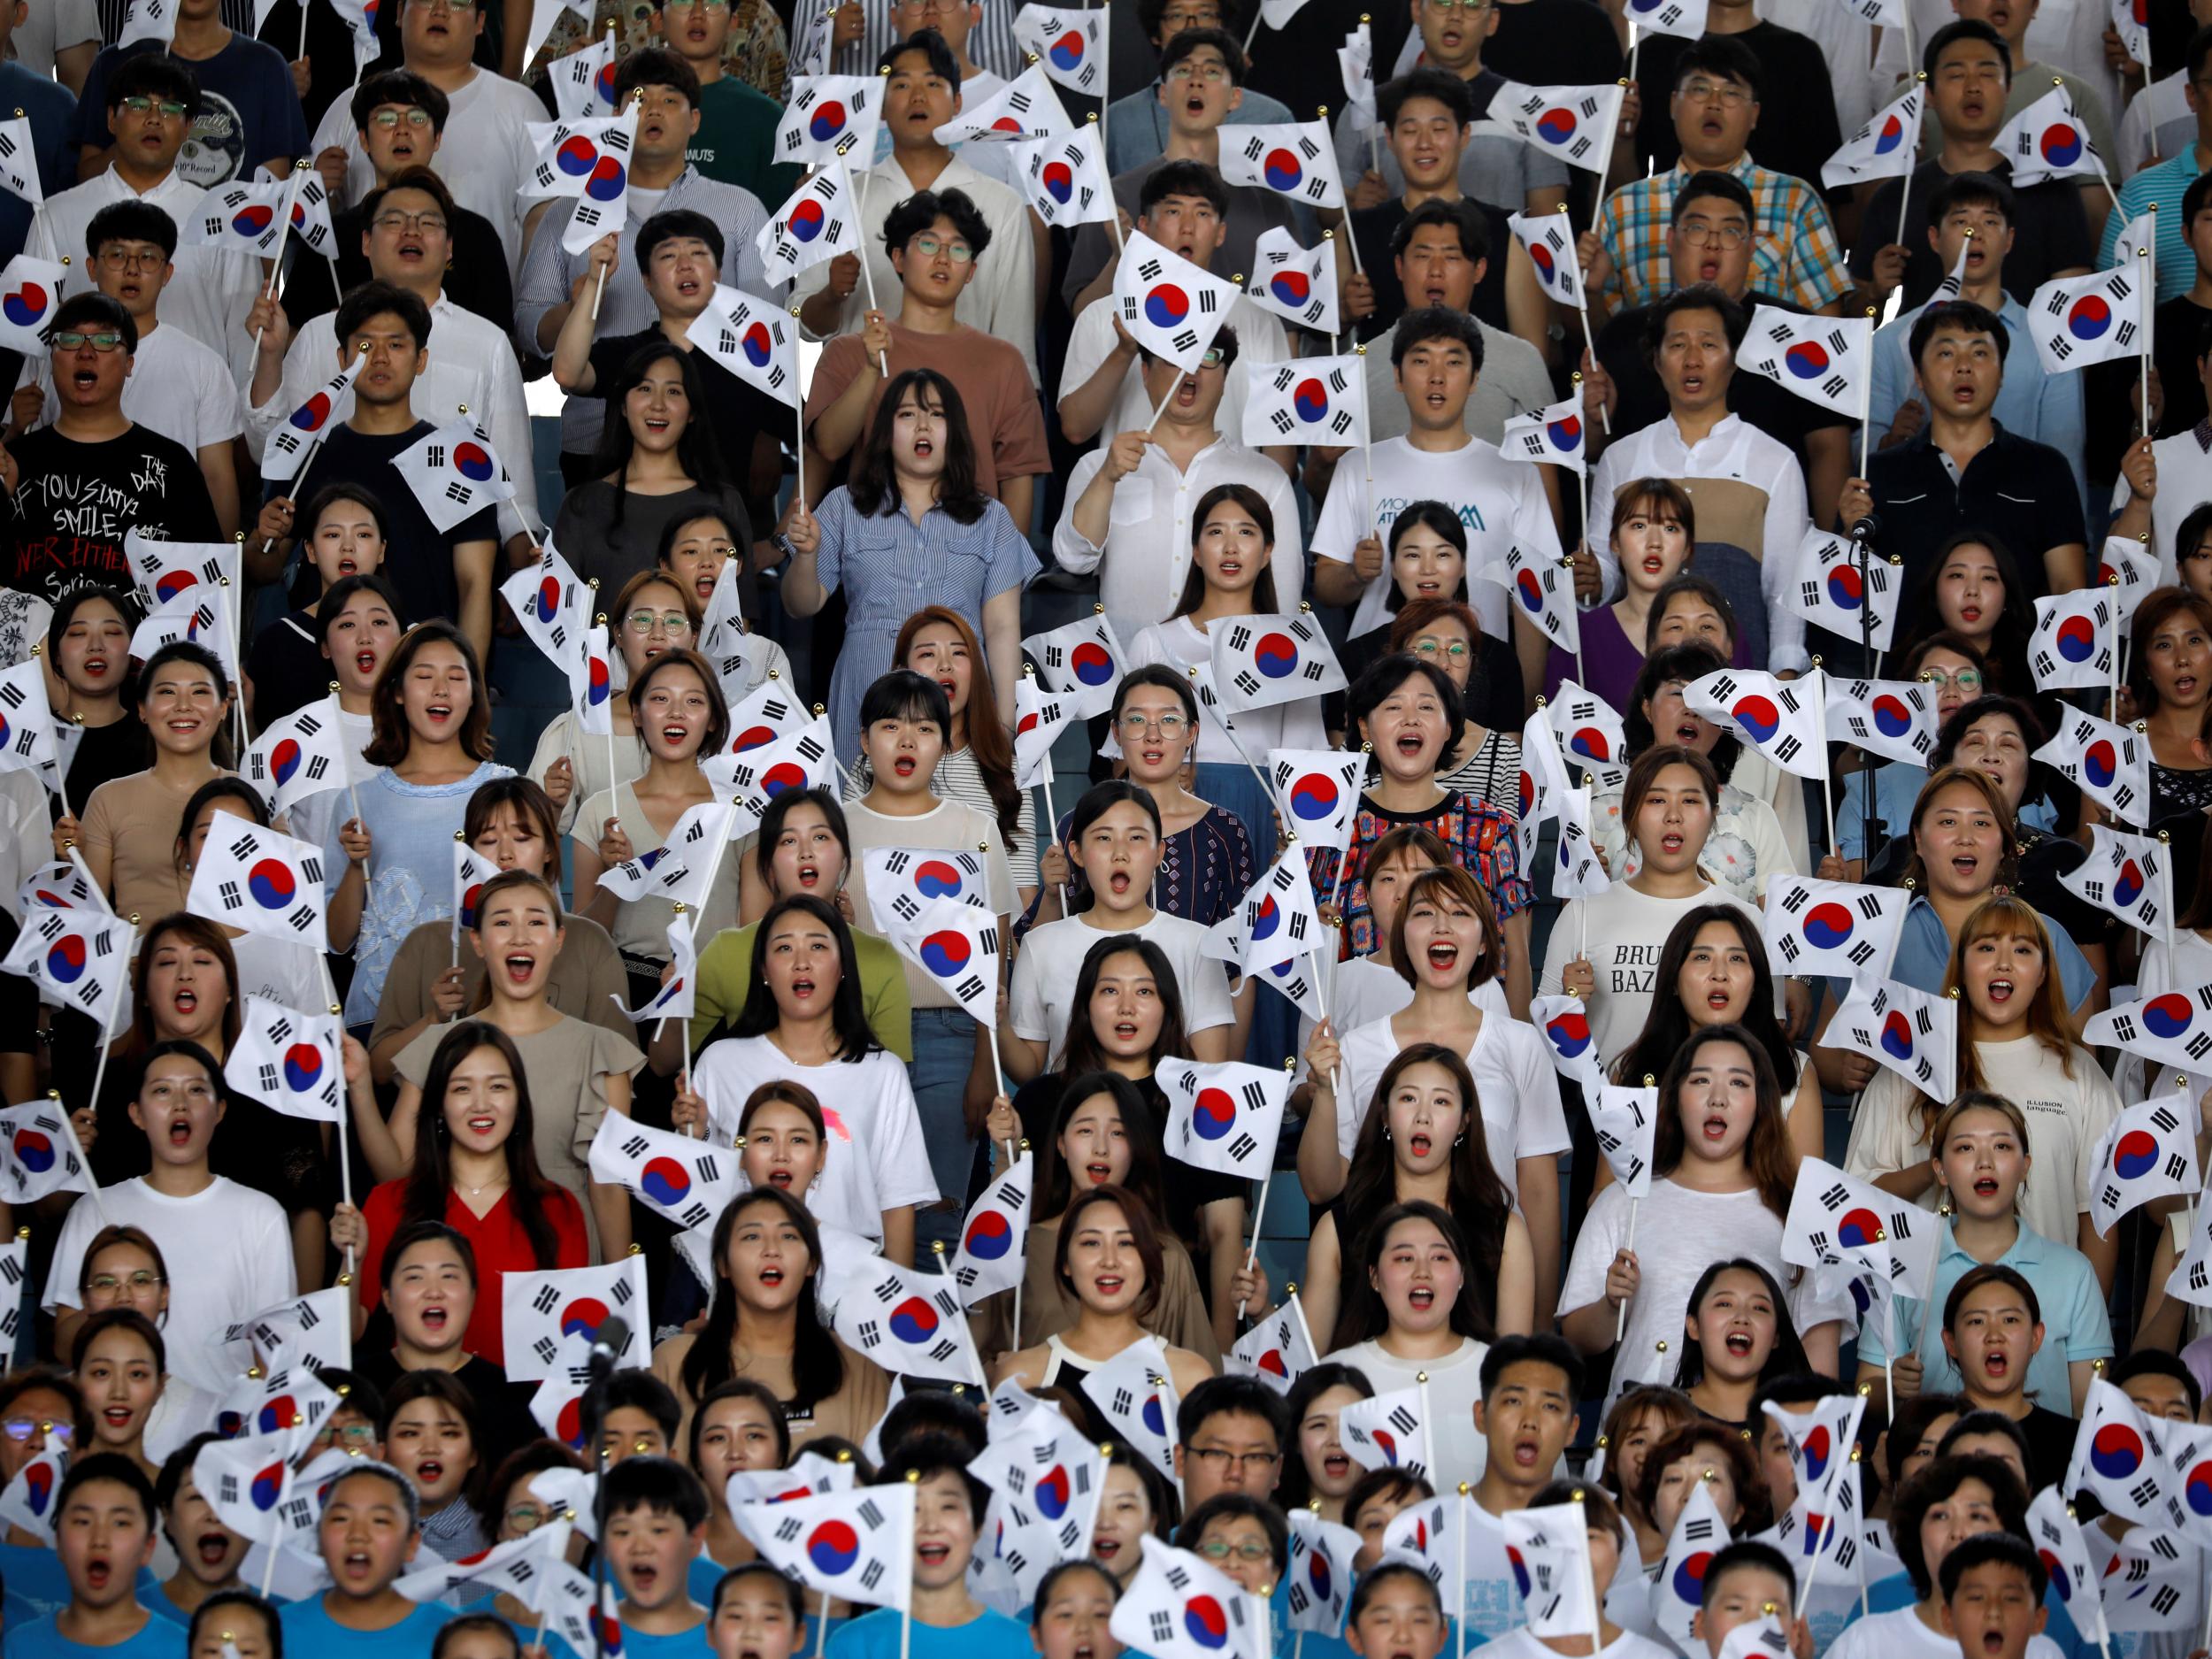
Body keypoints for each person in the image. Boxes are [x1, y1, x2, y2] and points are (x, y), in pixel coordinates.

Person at [247, 168, 537, 565]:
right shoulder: (320, 334)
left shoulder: (488, 342)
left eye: (428, 222)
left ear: (449, 247)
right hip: (339, 562)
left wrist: (516, 575)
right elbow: (270, 451)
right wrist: (269, 356)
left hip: (452, 561)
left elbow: (514, 491)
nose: (411, 231)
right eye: (394, 221)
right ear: (365, 242)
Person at [1305, 868, 1563, 1292]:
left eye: (1460, 913)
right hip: (1382, 1280)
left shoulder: (1521, 1044)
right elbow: (1321, 1186)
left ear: (1483, 942)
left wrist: (1537, 1326)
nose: (1442, 925)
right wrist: (1322, 1094)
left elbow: (1537, 1191)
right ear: (1402, 936)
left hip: (1492, 1275)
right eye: (1425, 913)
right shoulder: (1357, 1046)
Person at [1845, 894, 2119, 1288]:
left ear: (2043, 972)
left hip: (2048, 1321)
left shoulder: (2079, 1073)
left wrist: (2089, 1334)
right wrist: (1937, 1166)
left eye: (2022, 950)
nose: (2003, 962)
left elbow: (2097, 1219)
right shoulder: (1909, 1068)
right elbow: (1859, 1204)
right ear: (1961, 967)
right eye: (1987, 947)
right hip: (1930, 1322)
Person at [1560, 1026, 1845, 1385]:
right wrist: (1611, 1303)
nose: (1718, 1098)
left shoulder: (1797, 1214)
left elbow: (1819, 1362)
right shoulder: (1623, 1199)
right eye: (1700, 1081)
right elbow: (1577, 1338)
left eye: (1739, 1083)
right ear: (1675, 1098)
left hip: (1751, 1435)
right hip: (1642, 1431)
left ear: (1762, 1104)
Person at [380, 872, 642, 1261]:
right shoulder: (439, 1045)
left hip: (563, 1252)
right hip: (462, 1252)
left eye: (536, 921)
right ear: (478, 942)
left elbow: (608, 1186)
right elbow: (395, 1173)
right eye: (502, 922)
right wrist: (358, 1095)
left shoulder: (602, 1050)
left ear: (558, 940)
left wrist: (623, 1292)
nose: (520, 935)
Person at [781, 369, 1037, 759]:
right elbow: (800, 605)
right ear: (886, 431)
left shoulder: (992, 518)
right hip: (868, 681)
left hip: (959, 697)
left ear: (956, 432)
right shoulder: (843, 506)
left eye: (937, 414)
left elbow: (1002, 629)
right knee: (862, 810)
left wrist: (1004, 724)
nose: (923, 425)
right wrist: (806, 555)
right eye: (907, 415)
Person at [1585, 171, 1855, 529]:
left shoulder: (1800, 336)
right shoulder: (1622, 334)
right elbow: (1594, 451)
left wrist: (1830, 547)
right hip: (1646, 537)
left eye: (1730, 232)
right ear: (1671, 239)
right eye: (1697, 229)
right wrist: (1591, 419)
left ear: (1751, 246)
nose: (1712, 244)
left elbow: (1829, 450)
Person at [248, 285, 500, 667]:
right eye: (365, 346)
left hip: (422, 670)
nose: (380, 358)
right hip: (324, 665)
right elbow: (263, 567)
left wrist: (469, 687)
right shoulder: (308, 454)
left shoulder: (461, 461)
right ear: (342, 358)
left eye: (396, 345)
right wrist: (261, 540)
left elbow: (475, 586)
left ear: (421, 359)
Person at [687, 896, 933, 1257]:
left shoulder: (883, 1073)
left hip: (851, 1284)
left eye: (818, 946)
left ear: (843, 965)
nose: (801, 962)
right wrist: (691, 1135)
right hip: (744, 1280)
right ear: (763, 970)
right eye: (784, 948)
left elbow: (898, 1202)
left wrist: (893, 1305)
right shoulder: (720, 1062)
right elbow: (699, 1190)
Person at [1310, 308, 1566, 654]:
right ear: (1398, 377)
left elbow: (1533, 603)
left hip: (1477, 673)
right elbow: (1325, 586)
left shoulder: (1516, 472)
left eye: (1453, 362)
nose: (1437, 377)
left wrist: (1528, 701)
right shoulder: (1359, 465)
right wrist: (1355, 574)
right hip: (1379, 677)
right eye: (1421, 361)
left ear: (1475, 379)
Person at [1586, 285, 1811, 675]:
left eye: (1708, 345)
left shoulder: (1774, 461)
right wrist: (1586, 581)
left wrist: (1785, 676)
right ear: (1656, 361)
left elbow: (1786, 590)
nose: (1692, 360)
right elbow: (1606, 574)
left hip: (1741, 676)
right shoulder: (1621, 458)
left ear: (1735, 359)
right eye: (1677, 345)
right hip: (1637, 675)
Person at [46, 1043, 292, 1396]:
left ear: (219, 1110)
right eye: (162, 1090)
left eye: (196, 1090)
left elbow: (274, 1353)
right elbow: (64, 1346)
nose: (180, 1103)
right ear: (137, 1114)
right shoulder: (94, 1209)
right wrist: (111, 1306)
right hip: (118, 1426)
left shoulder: (261, 1214)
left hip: (218, 1438)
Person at [794, 31, 1037, 388]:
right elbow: (802, 325)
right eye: (902, 84)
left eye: (934, 84)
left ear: (956, 102)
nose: (918, 97)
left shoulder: (1002, 205)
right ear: (879, 103)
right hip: (859, 405)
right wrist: (831, 294)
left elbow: (1016, 346)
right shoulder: (839, 199)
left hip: (965, 403)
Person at [338, 1020, 588, 1364]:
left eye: (498, 1087)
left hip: (520, 1413)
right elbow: (347, 1332)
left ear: (519, 1101)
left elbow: (572, 1346)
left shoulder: (559, 1208)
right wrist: (349, 1258)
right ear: (439, 1104)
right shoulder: (389, 1203)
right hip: (423, 1407)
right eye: (461, 1089)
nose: (481, 1105)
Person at [803, 188, 1049, 526]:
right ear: (899, 258)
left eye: (959, 249)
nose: (944, 259)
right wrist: (871, 369)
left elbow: (1018, 475)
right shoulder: (848, 352)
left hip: (972, 557)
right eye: (929, 243)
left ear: (972, 271)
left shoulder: (1005, 361)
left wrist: (1011, 572)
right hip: (872, 554)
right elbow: (828, 447)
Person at [1854, 1092, 2110, 1416]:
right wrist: (1891, 1386)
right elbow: (1866, 1387)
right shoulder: (1902, 1266)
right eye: (1965, 1148)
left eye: (2001, 1146)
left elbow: (2089, 1410)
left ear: (2025, 1166)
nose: (1985, 1162)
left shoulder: (2074, 1272)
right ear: (1940, 1169)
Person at [368, 777, 633, 1084]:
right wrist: (433, 1020)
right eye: (489, 841)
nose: (505, 854)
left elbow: (619, 1069)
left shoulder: (589, 941)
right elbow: (379, 1070)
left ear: (549, 849)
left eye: (522, 839)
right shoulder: (427, 943)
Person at [549, 213, 780, 559]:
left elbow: (817, 446)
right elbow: (568, 373)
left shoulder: (756, 360)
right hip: (632, 545)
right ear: (647, 281)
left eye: (698, 254)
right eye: (669, 256)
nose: (685, 265)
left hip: (721, 553)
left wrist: (780, 543)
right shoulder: (631, 355)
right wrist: (595, 285)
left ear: (719, 274)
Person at [1052, 332, 1299, 649]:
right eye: (1175, 357)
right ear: (1145, 372)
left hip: (1230, 683)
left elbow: (1285, 602)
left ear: (1226, 377)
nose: (1190, 370)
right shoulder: (1098, 466)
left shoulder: (1266, 478)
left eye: (1208, 358)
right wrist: (1107, 478)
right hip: (1128, 680)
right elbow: (1073, 558)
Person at [1308, 655, 1536, 996]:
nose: (1411, 719)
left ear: (1448, 728)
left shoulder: (1491, 829)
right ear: (1366, 727)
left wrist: (1519, 1043)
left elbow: (1516, 956)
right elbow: (1295, 949)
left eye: (1427, 708)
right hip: (1354, 1028)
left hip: (1467, 1034)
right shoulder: (1329, 825)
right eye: (1393, 707)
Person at [12, 201, 242, 540]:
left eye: (147, 257)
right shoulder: (54, 353)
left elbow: (217, 479)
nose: (132, 270)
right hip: (61, 542)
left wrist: (221, 573)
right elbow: (20, 461)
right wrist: (16, 427)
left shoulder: (203, 364)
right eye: (117, 255)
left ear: (167, 273)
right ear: (91, 267)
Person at [325, 619, 512, 1027]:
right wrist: (357, 865)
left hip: (484, 1015)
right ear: (396, 692)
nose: (440, 689)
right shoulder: (358, 803)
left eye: (456, 677)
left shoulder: (506, 790)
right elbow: (337, 940)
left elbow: (540, 906)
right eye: (424, 676)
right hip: (381, 1019)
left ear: (474, 696)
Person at [27, 57, 261, 380]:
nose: (154, 119)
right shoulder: (56, 215)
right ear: (111, 119)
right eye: (138, 105)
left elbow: (243, 339)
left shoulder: (223, 220)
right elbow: (34, 338)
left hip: (191, 414)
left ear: (188, 126)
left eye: (170, 109)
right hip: (80, 416)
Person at [1584, 37, 1849, 319]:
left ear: (1754, 114)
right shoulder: (1623, 207)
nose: (1714, 104)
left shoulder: (1796, 200)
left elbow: (1825, 322)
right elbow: (1604, 339)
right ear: (1673, 104)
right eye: (1700, 89)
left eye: (1731, 93)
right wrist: (1591, 292)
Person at [1125, 484, 1326, 851]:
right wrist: (1161, 779)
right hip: (1172, 811)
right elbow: (1122, 758)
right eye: (1216, 532)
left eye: (1246, 532)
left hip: (1264, 810)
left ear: (1267, 552)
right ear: (1196, 551)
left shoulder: (1295, 647)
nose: (1230, 547)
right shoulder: (1153, 642)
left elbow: (1306, 763)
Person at [1869, 173, 2088, 510]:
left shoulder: (2050, 340)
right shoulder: (1888, 342)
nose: (1975, 233)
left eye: (1990, 221)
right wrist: (1893, 441)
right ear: (1934, 238)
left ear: (2010, 239)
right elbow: (1863, 460)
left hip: (2020, 526)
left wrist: (2076, 547)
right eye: (1960, 221)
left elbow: (2066, 456)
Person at [1059, 27, 1295, 329]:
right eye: (1183, 70)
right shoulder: (1114, 197)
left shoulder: (1269, 206)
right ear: (1163, 94)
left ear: (1236, 97)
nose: (1196, 79)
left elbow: (1287, 330)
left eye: (1212, 71)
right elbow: (1083, 314)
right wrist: (1121, 259)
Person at [1848, 22, 2093, 311]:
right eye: (1956, 75)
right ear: (1929, 94)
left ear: (2008, 88)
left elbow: (2074, 314)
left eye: (1988, 74)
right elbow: (1857, 323)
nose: (1973, 87)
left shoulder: (2053, 191)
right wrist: (1875, 294)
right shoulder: (1895, 198)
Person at [1056, 165, 1290, 467]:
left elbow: (1278, 453)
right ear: (1143, 225)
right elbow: (1075, 428)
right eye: (1173, 212)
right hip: (1130, 500)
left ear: (1220, 233)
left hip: (1229, 504)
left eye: (1203, 213)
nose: (1188, 227)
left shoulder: (1260, 323)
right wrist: (1125, 350)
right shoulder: (1101, 315)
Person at [1005, 782, 1239, 1079]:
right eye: (1103, 838)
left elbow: (1210, 1070)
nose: (1120, 853)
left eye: (1137, 838)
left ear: (1159, 852)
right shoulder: (1041, 944)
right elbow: (1025, 1071)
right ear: (1076, 852)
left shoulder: (1198, 943)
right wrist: (997, 1022)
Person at [1541, 745, 1761, 1061]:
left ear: (1713, 816)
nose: (1673, 816)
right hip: (1607, 1106)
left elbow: (1763, 1038)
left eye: (1690, 800)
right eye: (1657, 800)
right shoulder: (1584, 912)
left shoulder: (1745, 921)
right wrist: (1568, 1001)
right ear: (1629, 816)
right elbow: (1541, 1047)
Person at [0, 289, 220, 602]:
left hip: (136, 649)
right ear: (51, 359)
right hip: (28, 648)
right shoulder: (15, 463)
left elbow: (205, 589)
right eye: (70, 340)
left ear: (129, 362)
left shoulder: (172, 465)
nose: (86, 352)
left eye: (104, 341)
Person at [308, 0, 552, 277]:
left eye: (459, 2)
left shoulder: (522, 108)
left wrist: (529, 312)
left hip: (483, 311)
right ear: (400, 13)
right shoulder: (352, 105)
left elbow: (542, 221)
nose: (441, 9)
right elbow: (308, 222)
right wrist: (317, 190)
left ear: (480, 21)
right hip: (361, 310)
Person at [999, 1071, 1226, 1360]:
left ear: (1136, 1147)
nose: (1101, 1148)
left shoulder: (1167, 1255)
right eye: (1085, 1131)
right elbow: (983, 1355)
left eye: (1118, 1133)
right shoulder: (1021, 1248)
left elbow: (1202, 1385)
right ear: (1061, 1144)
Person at [690, 787, 912, 1062]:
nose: (806, 852)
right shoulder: (726, 950)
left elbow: (893, 1075)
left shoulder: (880, 957)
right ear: (768, 865)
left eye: (820, 837)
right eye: (788, 841)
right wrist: (676, 999)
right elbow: (668, 1061)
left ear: (844, 856)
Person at [279, 72, 514, 330]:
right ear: (364, 139)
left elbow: (500, 340)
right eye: (387, 119)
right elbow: (291, 336)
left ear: (437, 138)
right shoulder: (327, 236)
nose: (402, 129)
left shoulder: (476, 235)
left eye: (417, 118)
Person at [572, 647, 745, 997]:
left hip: (716, 989)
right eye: (661, 699)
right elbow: (582, 936)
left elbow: (753, 930)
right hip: (622, 988)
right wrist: (616, 879)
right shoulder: (601, 810)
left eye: (694, 702)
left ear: (713, 718)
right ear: (637, 713)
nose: (677, 713)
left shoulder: (739, 809)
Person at [1338, 70, 1548, 357]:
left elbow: (1533, 354)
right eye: (1410, 131)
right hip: (1383, 395)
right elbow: (1326, 337)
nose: (1425, 143)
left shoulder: (1509, 232)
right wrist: (1345, 312)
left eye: (1438, 130)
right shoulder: (1353, 231)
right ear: (1389, 138)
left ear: (1464, 136)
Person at [1326, 198, 1558, 457]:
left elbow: (1544, 483)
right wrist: (1323, 465)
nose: (1435, 271)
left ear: (1479, 269)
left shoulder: (1523, 361)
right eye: (1423, 256)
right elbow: (1322, 485)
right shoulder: (1351, 373)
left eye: (1451, 257)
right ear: (1400, 267)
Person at [1586, 645, 1803, 907]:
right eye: (1677, 693)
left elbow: (1779, 924)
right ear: (1647, 707)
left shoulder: (1755, 816)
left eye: (1707, 697)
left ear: (1724, 722)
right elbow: (1575, 927)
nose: (1691, 709)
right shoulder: (1597, 811)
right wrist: (1585, 886)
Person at [1611, 905, 1824, 1164]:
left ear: (1756, 981)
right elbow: (1605, 1190)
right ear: (1674, 980)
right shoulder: (1632, 1069)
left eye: (1736, 959)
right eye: (1702, 957)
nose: (1720, 974)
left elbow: (1805, 1194)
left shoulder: (1795, 1070)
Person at [1319, 1201, 1502, 1492]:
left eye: (1440, 1258)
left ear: (1462, 1276)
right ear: (1375, 1277)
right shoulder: (1336, 1375)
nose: (1422, 1272)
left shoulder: (1500, 1374)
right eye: (1404, 1258)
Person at [550, 344, 757, 598]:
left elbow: (741, 621)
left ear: (692, 411)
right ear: (624, 406)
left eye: (673, 391)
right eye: (645, 389)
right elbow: (557, 620)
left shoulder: (725, 502)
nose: (658, 405)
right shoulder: (582, 505)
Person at [57, 641, 230, 928]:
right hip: (135, 968)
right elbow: (83, 921)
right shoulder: (108, 799)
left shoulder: (249, 794)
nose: (183, 706)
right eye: (167, 692)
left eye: (199, 691)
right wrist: (71, 859)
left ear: (223, 707)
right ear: (142, 710)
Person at [989, 1183, 1217, 1401]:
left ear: (1148, 1259)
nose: (1110, 1260)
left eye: (1126, 1243)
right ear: (1065, 1261)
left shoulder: (1190, 1377)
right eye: (1091, 1243)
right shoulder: (1020, 1376)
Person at [826, 1437, 1033, 1659]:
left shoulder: (1023, 1645)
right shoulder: (852, 1645)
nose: (931, 1525)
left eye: (948, 1507)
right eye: (913, 1508)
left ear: (978, 1525)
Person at [241, 487, 393, 729]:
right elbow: (262, 751)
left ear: (382, 550)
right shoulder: (276, 641)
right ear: (310, 550)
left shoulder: (411, 637)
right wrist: (245, 714)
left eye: (363, 535)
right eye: (333, 535)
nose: (348, 546)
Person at [1, 1454, 170, 1658]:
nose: (99, 1539)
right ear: (59, 1542)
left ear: (147, 1547)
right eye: (83, 1521)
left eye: (120, 1523)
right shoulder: (19, 1647)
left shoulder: (182, 1649)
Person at [279, 1460, 457, 1652]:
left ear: (411, 1544)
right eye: (341, 1518)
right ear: (319, 1538)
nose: (358, 1534)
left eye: (379, 1521)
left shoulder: (452, 1637)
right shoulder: (275, 1632)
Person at [1560, 480, 1696, 711]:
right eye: (1639, 526)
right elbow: (1553, 734)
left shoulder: (1715, 632)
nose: (1655, 543)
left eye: (1670, 528)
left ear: (1687, 549)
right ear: (1615, 544)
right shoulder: (1579, 637)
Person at [1389, 595, 1524, 808]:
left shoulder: (1504, 757)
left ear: (1472, 666)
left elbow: (1513, 837)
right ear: (1398, 660)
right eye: (1428, 647)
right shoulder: (1364, 746)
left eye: (1457, 650)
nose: (1443, 664)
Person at [1671, 1259, 1814, 1432]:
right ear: (1694, 1326)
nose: (1742, 1317)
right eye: (1725, 1304)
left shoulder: (1799, 1429)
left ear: (1776, 1336)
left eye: (1759, 1308)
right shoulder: (1661, 1416)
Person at [42, 588, 141, 814]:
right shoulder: (30, 744)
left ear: (133, 648)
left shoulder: (157, 741)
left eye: (112, 632)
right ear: (56, 654)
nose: (95, 645)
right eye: (78, 633)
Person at [597, 1455, 712, 1647]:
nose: (640, 1548)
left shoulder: (733, 1643)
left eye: (658, 1530)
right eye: (623, 1532)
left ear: (694, 1538)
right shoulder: (578, 1642)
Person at [2122, 588, 2212, 821]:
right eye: (2164, 645)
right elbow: (2086, 852)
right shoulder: (2120, 748)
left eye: (2194, 640)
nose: (2182, 659)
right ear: (2145, 666)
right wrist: (2108, 824)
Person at [145, 1436, 246, 1626]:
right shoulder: (121, 1616)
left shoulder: (286, 1623)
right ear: (167, 1514)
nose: (214, 1515)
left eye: (229, 1496)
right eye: (197, 1497)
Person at [1600, 1384, 1700, 1565]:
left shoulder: (1706, 1558)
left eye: (1668, 1440)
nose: (1652, 1454)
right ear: (1611, 1459)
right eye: (1638, 1441)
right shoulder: (1583, 1551)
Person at [70, 1310, 167, 1483]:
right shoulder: (44, 1487)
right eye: (102, 1373)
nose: (119, 1392)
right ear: (75, 1383)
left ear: (159, 1386)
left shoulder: (177, 1495)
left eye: (137, 1374)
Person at [1279, 1363, 1374, 1522]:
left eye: (1351, 1426)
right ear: (1296, 1440)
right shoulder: (1271, 1533)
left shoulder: (1398, 1531)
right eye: (1319, 1425)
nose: (1336, 1440)